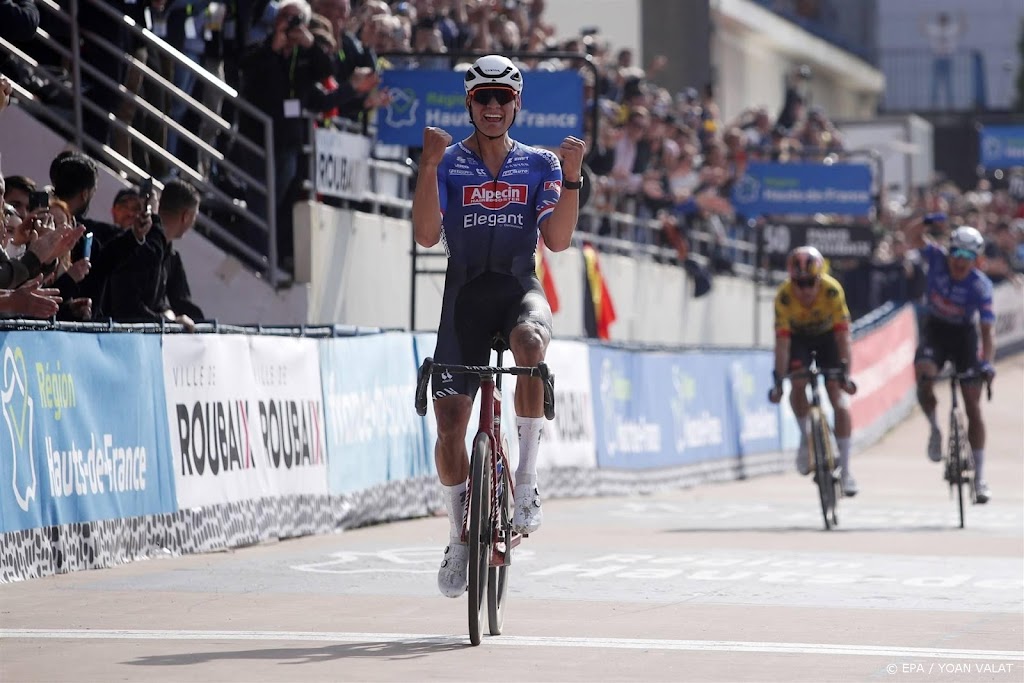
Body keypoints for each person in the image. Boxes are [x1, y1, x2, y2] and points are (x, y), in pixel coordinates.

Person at [411, 54, 586, 599]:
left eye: (502, 97)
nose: (492, 106)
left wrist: (575, 177)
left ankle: (528, 481)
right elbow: (423, 236)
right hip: (462, 299)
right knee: (448, 426)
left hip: (517, 291)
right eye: (482, 97)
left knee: (531, 343)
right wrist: (428, 168)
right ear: (469, 103)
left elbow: (556, 242)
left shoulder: (541, 164)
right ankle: (460, 535)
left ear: (516, 104)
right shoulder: (449, 160)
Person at [907, 225, 996, 504]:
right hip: (935, 329)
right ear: (948, 252)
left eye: (968, 256)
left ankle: (980, 478)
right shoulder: (934, 258)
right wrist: (926, 219)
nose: (960, 260)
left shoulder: (981, 285)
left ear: (977, 259)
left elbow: (987, 331)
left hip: (963, 337)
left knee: (973, 404)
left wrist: (987, 364)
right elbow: (911, 236)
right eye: (956, 252)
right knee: (924, 377)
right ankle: (934, 428)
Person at [768, 245, 859, 496]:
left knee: (837, 397)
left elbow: (843, 338)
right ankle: (806, 437)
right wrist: (778, 380)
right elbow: (782, 345)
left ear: (819, 278)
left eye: (811, 282)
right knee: (797, 384)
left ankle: (848, 470)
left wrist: (845, 374)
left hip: (829, 338)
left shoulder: (832, 290)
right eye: (800, 283)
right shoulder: (784, 297)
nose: (805, 290)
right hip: (798, 341)